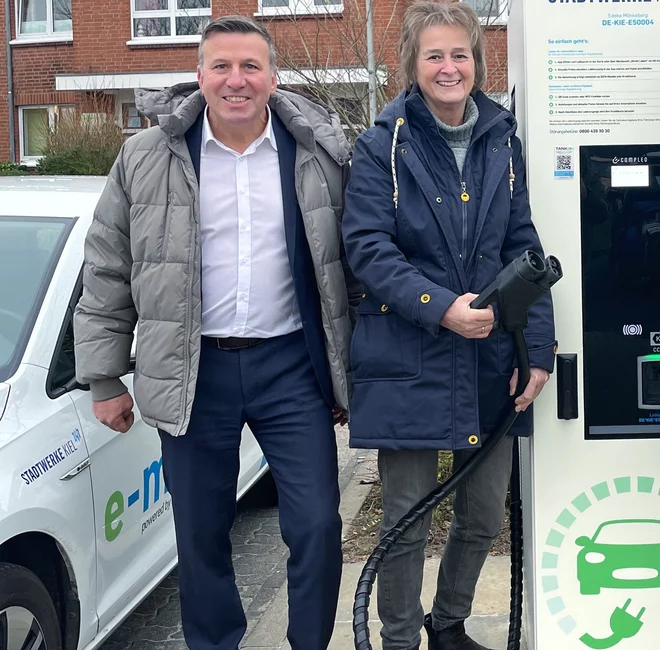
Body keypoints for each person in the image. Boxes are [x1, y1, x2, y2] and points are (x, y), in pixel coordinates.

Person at [73, 15, 359, 650]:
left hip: (290, 368)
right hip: (192, 369)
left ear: (272, 77)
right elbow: (108, 268)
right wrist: (103, 375)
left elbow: (350, 266)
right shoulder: (145, 157)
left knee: (315, 523)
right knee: (200, 534)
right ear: (199, 76)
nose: (237, 81)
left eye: (251, 67)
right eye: (222, 67)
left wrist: (351, 368)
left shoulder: (316, 153)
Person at [340, 2, 556, 650]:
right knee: (404, 520)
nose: (448, 67)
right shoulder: (384, 145)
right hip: (409, 357)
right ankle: (401, 637)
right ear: (411, 64)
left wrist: (537, 349)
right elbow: (368, 249)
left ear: (477, 62)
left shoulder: (501, 142)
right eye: (434, 55)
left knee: (485, 509)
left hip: (489, 358)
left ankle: (450, 623)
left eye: (459, 54)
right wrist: (441, 308)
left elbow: (525, 249)